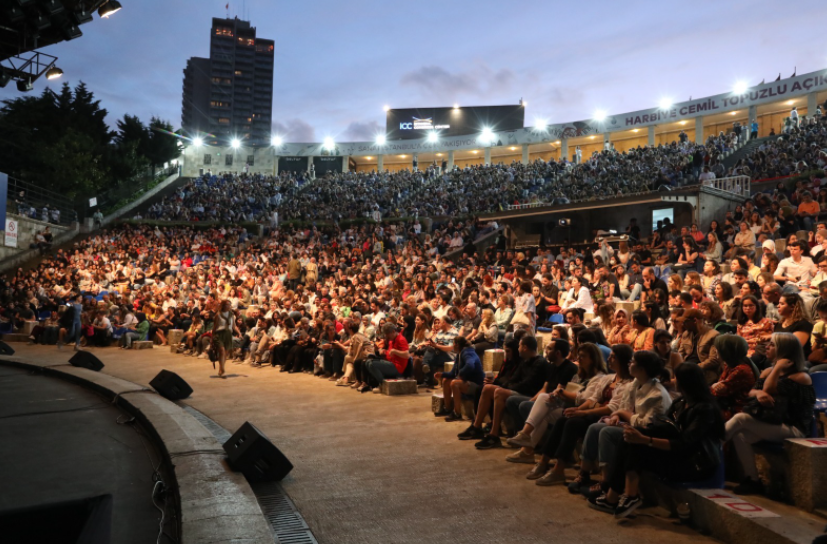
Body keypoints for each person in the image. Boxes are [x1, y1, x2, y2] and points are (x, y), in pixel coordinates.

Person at [589, 363, 725, 518]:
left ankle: (623, 495)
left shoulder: (705, 410)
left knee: (637, 445)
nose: (674, 381)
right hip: (676, 455)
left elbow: (684, 444)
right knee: (630, 439)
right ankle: (616, 495)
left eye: (677, 378)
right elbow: (663, 427)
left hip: (694, 464)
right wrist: (638, 434)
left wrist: (646, 440)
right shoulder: (680, 403)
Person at [725, 333, 815, 495]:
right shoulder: (767, 372)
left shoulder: (801, 377)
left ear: (785, 351)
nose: (767, 347)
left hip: (794, 428)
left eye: (772, 345)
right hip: (773, 424)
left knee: (740, 419)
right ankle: (753, 480)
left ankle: (709, 443)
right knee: (741, 434)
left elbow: (768, 389)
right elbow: (753, 391)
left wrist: (778, 368)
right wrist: (757, 394)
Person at [521, 343, 609, 484]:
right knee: (549, 411)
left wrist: (564, 394)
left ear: (593, 359)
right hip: (574, 407)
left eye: (583, 356)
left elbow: (587, 398)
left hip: (591, 413)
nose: (579, 358)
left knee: (565, 419)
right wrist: (560, 395)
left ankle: (550, 463)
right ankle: (541, 459)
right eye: (578, 355)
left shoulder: (602, 377)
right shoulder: (579, 374)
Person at [457, 335, 548, 449]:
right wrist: (500, 384)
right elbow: (513, 379)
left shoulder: (539, 362)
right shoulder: (525, 361)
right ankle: (476, 426)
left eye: (519, 346)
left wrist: (506, 387)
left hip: (530, 395)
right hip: (519, 390)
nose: (518, 348)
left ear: (525, 347)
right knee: (487, 388)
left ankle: (494, 434)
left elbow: (527, 384)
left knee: (499, 392)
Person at [434, 336, 485, 421]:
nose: (452, 346)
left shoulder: (467, 352)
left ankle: (457, 413)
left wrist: (460, 374)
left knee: (455, 383)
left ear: (457, 345)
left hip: (477, 385)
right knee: (446, 380)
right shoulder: (459, 354)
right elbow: (453, 373)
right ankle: (448, 408)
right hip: (467, 382)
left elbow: (470, 365)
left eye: (453, 344)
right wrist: (442, 374)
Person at [711, 335, 758, 421]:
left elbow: (716, 392)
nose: (715, 350)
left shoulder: (741, 370)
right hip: (729, 405)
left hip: (738, 410)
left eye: (718, 348)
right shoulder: (730, 365)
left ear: (726, 351)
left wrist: (715, 386)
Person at [676, 308, 722, 383]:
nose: (682, 324)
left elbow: (714, 360)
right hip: (687, 370)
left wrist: (694, 368)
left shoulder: (713, 335)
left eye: (685, 322)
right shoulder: (686, 334)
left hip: (704, 372)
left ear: (695, 321)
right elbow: (680, 353)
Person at [363, 323, 410, 393]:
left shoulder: (401, 339)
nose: (386, 336)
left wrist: (394, 351)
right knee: (367, 362)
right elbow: (390, 353)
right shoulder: (391, 340)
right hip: (390, 363)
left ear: (393, 331)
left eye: (387, 334)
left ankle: (382, 385)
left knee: (372, 364)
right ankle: (376, 383)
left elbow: (407, 355)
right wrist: (381, 351)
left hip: (397, 367)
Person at [212, 299, 239, 378]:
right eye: (227, 305)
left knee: (225, 353)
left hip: (228, 334)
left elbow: (233, 326)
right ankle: (222, 369)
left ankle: (221, 368)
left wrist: (239, 333)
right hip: (219, 334)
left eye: (229, 305)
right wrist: (212, 337)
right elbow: (215, 326)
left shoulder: (231, 315)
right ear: (223, 305)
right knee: (222, 351)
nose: (229, 306)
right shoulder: (218, 314)